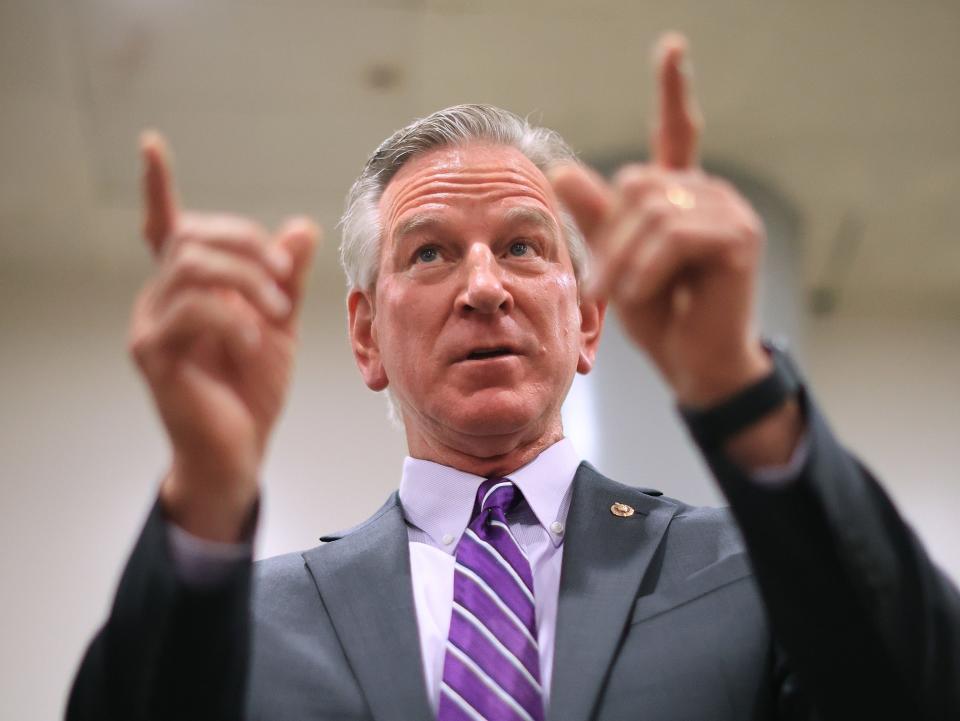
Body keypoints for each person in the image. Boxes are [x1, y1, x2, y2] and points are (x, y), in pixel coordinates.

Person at [67, 35, 959, 721]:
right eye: (430, 252)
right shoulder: (251, 621)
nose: (485, 286)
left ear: (588, 319)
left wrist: (742, 389)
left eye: (524, 246)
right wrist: (208, 490)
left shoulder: (749, 575)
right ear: (366, 333)